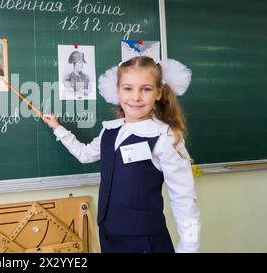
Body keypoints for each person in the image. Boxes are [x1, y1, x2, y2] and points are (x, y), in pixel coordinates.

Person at [43, 56, 200, 253]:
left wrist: (189, 248)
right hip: (109, 235)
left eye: (146, 89)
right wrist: (58, 128)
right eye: (128, 88)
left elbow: (184, 198)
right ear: (117, 90)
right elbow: (84, 154)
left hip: (144, 242)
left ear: (159, 92)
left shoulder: (165, 137)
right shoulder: (110, 130)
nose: (136, 97)